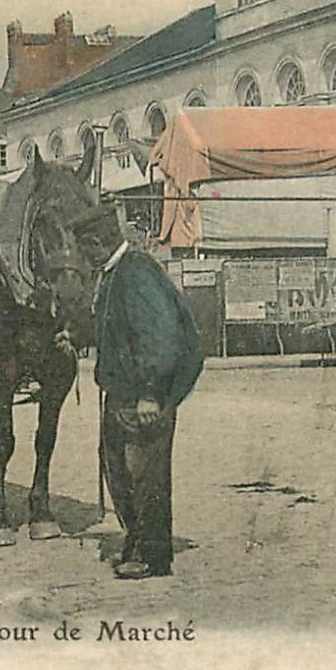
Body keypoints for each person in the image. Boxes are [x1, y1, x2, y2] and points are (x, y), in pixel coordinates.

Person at [78, 208, 203, 580]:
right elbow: (116, 329)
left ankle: (153, 556)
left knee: (145, 475)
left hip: (142, 398)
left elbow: (158, 336)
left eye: (85, 249)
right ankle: (137, 544)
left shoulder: (135, 274)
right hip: (122, 393)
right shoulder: (117, 274)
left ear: (98, 243)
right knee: (119, 471)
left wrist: (150, 393)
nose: (83, 257)